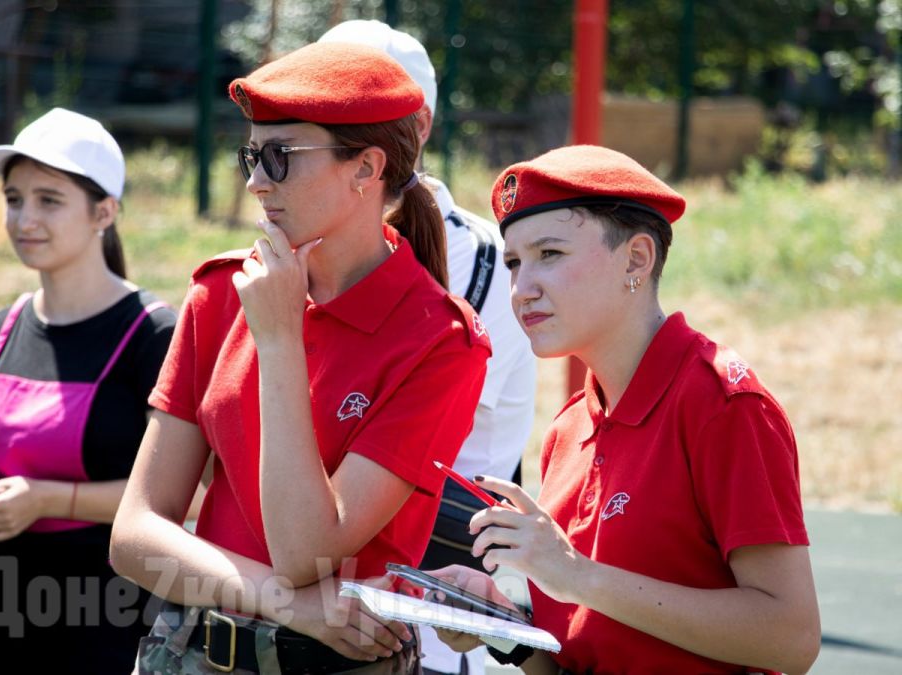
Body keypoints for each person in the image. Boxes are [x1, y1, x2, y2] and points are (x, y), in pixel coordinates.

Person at [109, 41, 492, 674]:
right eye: (251, 156)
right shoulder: (221, 291)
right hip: (186, 654)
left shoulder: (440, 341)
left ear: (366, 170)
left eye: (281, 157)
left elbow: (306, 551)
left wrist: (281, 341)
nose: (256, 181)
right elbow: (135, 535)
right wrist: (289, 605)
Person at [432, 145, 822, 674]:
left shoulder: (723, 405)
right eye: (514, 263)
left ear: (636, 259)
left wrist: (576, 575)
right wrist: (506, 628)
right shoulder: (569, 427)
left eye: (550, 254)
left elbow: (791, 637)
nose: (522, 289)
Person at [317, 20, 537, 675]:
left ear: (418, 131)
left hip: (432, 627)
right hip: (311, 614)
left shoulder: (492, 265)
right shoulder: (291, 257)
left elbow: (394, 447)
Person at [0, 107, 177, 674]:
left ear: (104, 212)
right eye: (14, 198)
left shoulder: (155, 335)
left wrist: (48, 500)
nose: (25, 218)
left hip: (101, 617)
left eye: (49, 200)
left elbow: (183, 498)